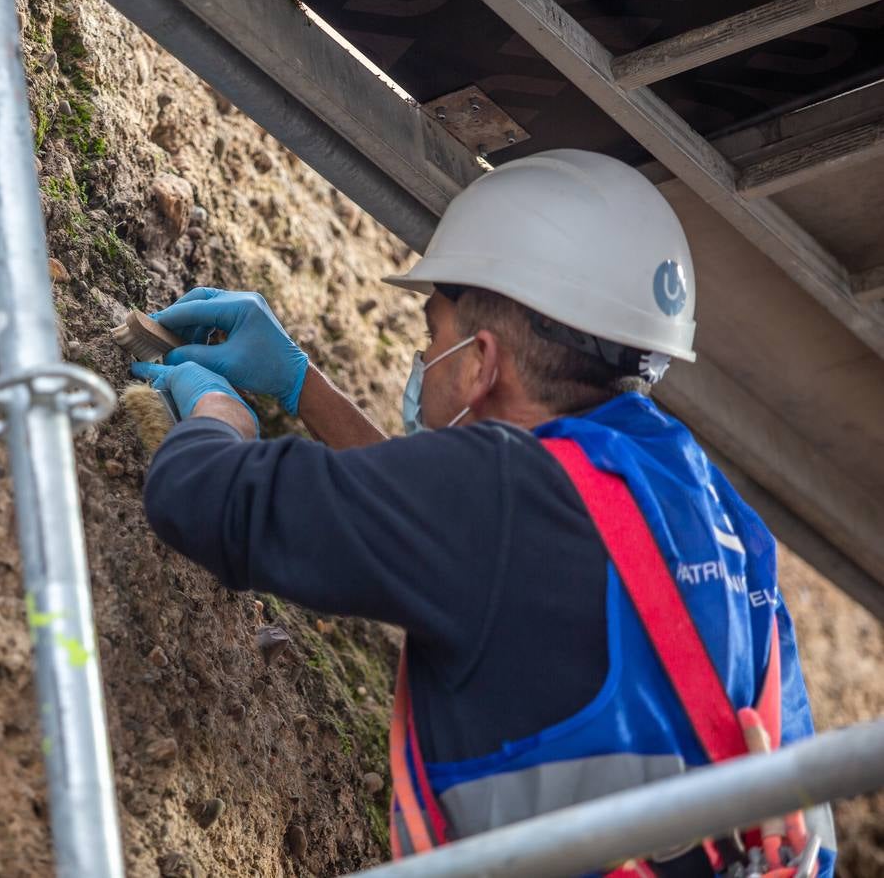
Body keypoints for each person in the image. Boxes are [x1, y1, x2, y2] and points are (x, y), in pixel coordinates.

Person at [131, 150, 835, 876]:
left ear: (481, 360)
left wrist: (216, 412)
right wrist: (303, 386)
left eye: (432, 332)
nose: (424, 355)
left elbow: (205, 497)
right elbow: (451, 551)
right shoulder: (719, 515)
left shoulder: (498, 496)